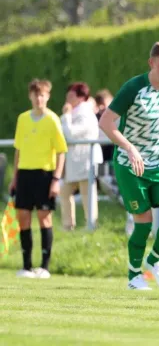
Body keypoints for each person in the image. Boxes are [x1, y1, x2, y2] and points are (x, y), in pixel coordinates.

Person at [99, 40, 159, 291]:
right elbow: (106, 123)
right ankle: (133, 276)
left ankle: (154, 261)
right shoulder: (133, 88)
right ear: (151, 63)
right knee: (144, 222)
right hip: (131, 166)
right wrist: (129, 149)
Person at [10, 79, 68, 279]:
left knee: (45, 217)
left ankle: (44, 266)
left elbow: (61, 151)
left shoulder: (52, 119)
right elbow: (18, 150)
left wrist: (56, 179)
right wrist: (14, 178)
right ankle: (26, 266)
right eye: (36, 95)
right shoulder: (22, 119)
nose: (39, 98)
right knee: (23, 218)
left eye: (42, 95)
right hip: (25, 174)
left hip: (45, 175)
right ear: (30, 96)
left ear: (48, 96)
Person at [60, 82, 103, 231]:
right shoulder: (75, 111)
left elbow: (70, 133)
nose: (67, 97)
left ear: (80, 97)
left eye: (71, 95)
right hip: (75, 161)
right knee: (64, 192)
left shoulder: (85, 112)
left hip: (86, 159)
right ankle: (68, 225)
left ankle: (91, 225)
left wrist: (65, 115)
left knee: (87, 194)